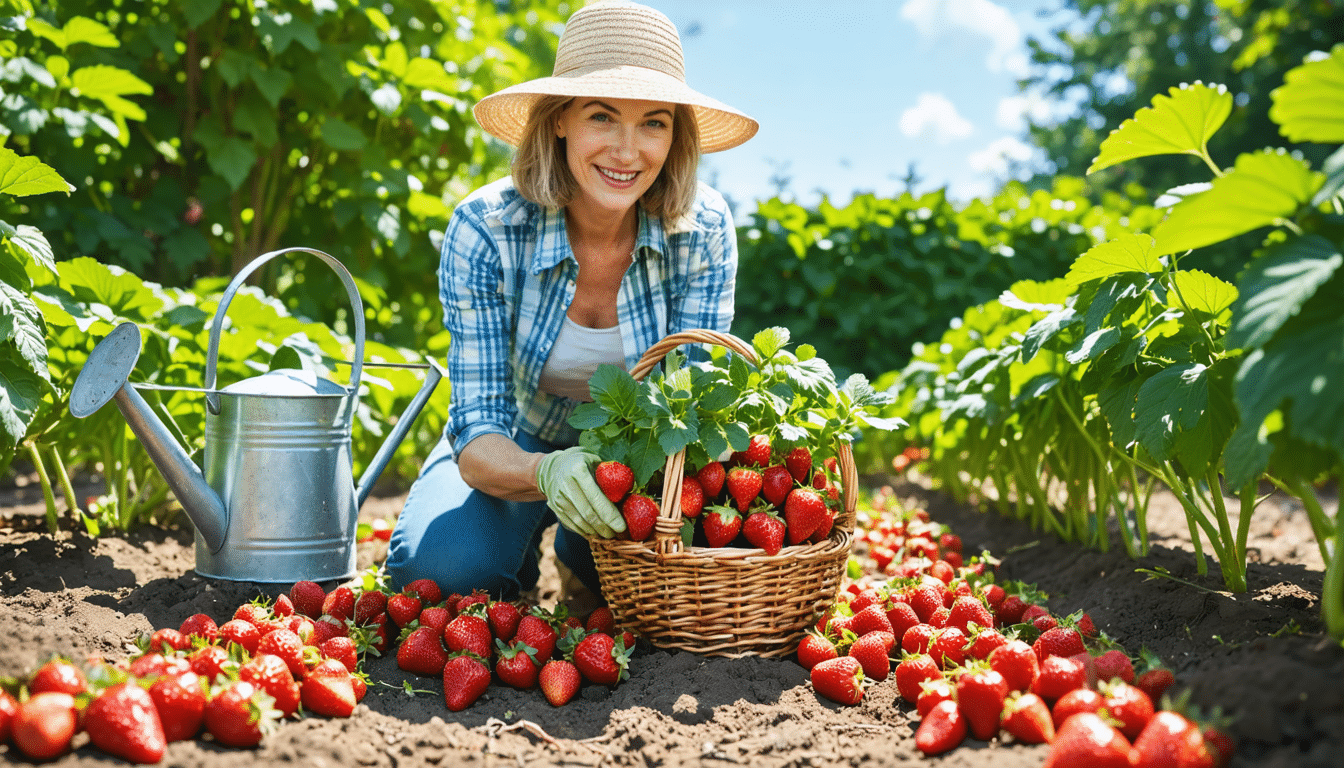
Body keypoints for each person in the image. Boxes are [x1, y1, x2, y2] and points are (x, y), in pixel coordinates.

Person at [384, 1, 758, 608]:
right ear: (559, 120)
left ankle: (578, 559)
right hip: (513, 440)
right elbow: (478, 425)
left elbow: (694, 405)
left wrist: (630, 486)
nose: (627, 150)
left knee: (679, 585)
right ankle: (515, 547)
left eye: (654, 123)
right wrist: (546, 473)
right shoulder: (488, 227)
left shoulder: (702, 227)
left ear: (676, 135)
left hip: (633, 459)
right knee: (444, 574)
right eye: (602, 117)